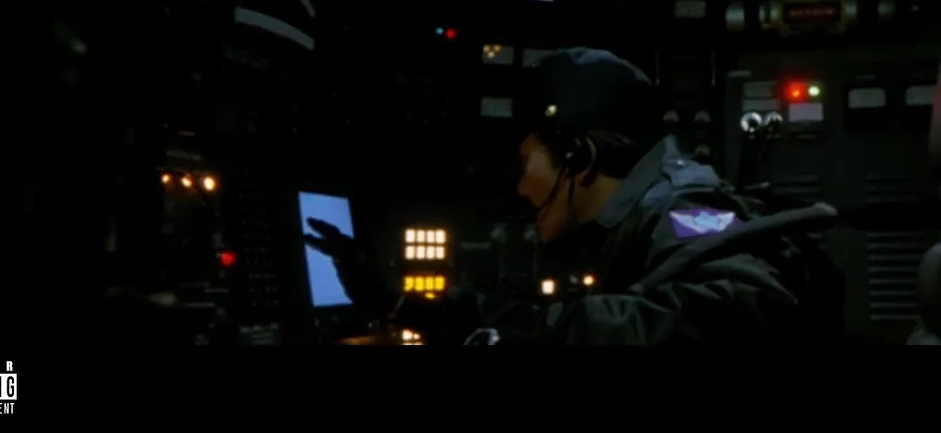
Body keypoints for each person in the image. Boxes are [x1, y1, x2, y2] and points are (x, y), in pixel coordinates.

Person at [306, 47, 844, 344]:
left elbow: (750, 306)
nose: (521, 187)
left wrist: (546, 331)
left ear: (579, 158)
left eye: (527, 164)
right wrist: (399, 305)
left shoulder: (685, 208)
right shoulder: (648, 213)